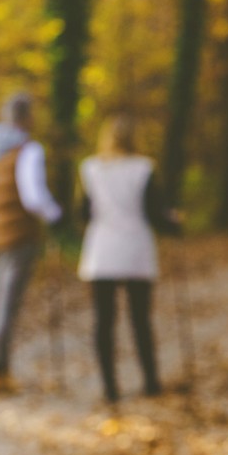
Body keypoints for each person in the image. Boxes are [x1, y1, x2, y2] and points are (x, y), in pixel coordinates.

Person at [0, 91, 63, 396]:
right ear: (26, 117)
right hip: (18, 237)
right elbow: (33, 197)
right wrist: (56, 215)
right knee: (6, 303)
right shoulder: (28, 150)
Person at [78, 115, 178, 403]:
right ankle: (150, 381)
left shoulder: (91, 168)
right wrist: (174, 223)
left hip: (102, 251)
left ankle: (110, 387)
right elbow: (155, 213)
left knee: (104, 322)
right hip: (135, 249)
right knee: (140, 319)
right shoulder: (143, 168)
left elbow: (84, 213)